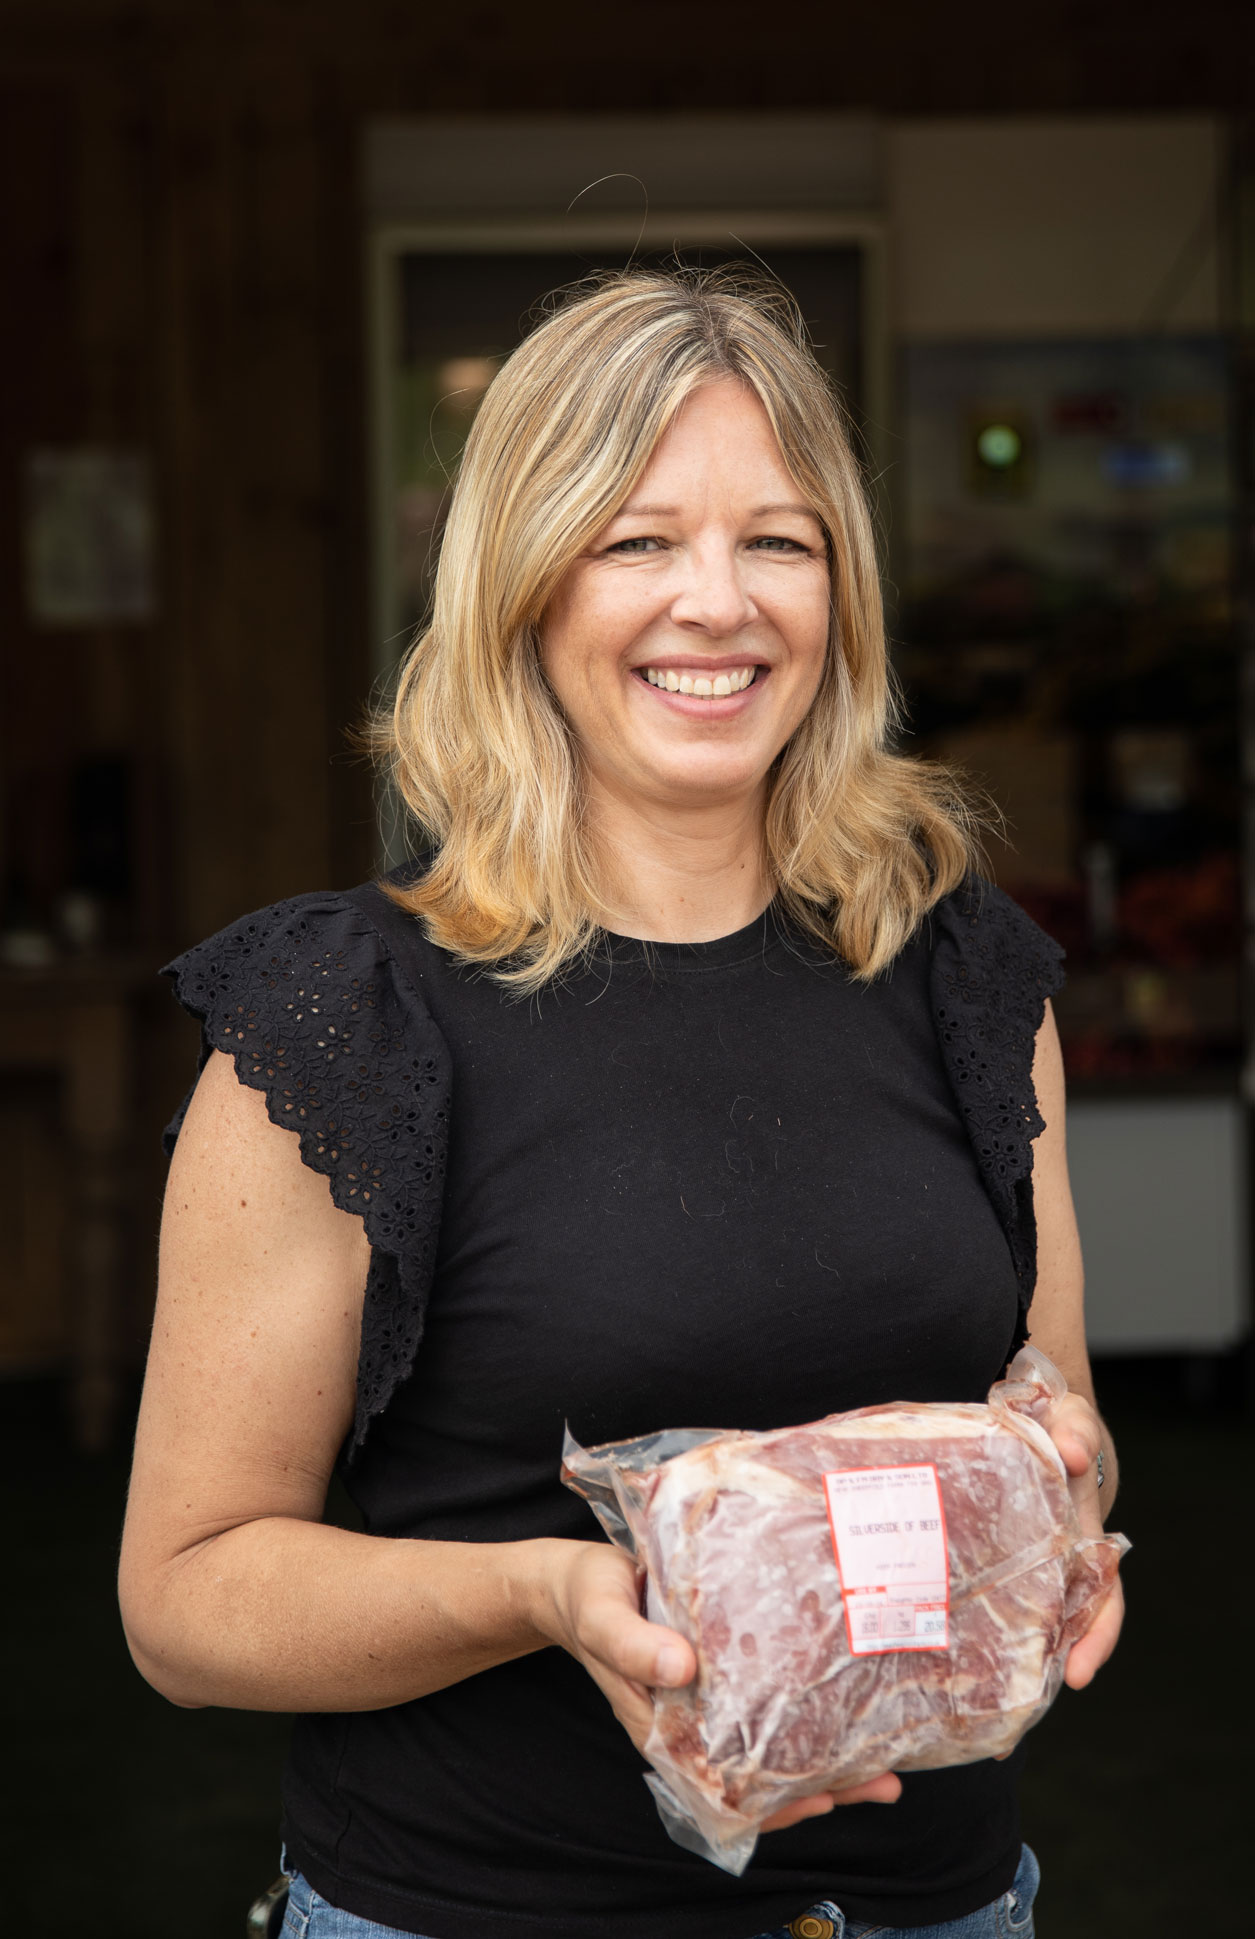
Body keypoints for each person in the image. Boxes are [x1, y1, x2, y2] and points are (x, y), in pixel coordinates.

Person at [119, 266, 1123, 1939]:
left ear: (842, 595)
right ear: (525, 585)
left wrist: (1062, 1510)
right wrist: (547, 1593)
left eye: (779, 541)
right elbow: (187, 1601)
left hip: (939, 1912)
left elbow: (1044, 1420)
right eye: (636, 540)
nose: (717, 603)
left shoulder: (966, 981)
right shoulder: (347, 1019)